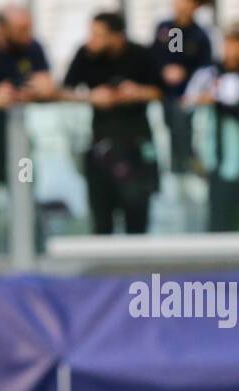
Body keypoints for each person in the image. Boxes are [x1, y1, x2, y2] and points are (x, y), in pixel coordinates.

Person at [62, 11, 163, 235]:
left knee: (137, 218)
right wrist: (92, 97)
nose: (92, 40)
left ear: (117, 37)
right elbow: (63, 91)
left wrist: (136, 93)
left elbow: (162, 91)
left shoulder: (141, 55)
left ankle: (138, 268)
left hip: (136, 145)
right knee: (101, 219)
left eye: (98, 35)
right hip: (101, 145)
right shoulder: (85, 54)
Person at [0, 4, 54, 253]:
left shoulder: (32, 48)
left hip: (19, 142)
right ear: (2, 28)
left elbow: (46, 85)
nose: (27, 34)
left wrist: (34, 91)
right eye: (21, 29)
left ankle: (34, 252)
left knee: (26, 189)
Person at [183, 20, 239, 232]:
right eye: (230, 42)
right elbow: (186, 107)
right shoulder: (206, 75)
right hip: (213, 161)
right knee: (216, 220)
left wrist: (216, 100)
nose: (233, 49)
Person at [153, 0, 212, 174]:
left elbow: (205, 68)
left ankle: (187, 163)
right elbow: (170, 57)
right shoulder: (172, 29)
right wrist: (167, 70)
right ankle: (179, 165)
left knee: (184, 130)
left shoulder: (200, 34)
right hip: (168, 94)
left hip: (190, 96)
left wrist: (184, 73)